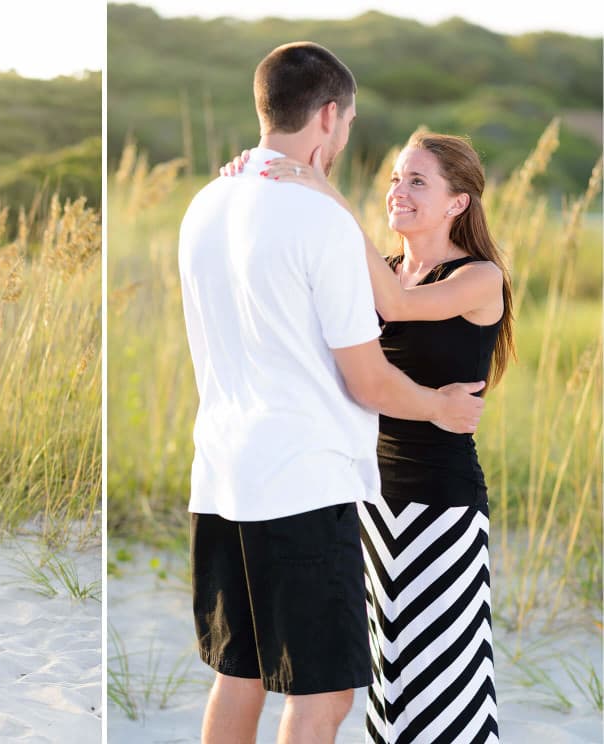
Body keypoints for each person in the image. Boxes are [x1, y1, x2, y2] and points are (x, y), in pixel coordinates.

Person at [177, 43, 487, 744]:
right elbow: (368, 378)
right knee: (323, 697)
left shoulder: (206, 202)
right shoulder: (320, 221)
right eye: (346, 124)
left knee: (239, 676)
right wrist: (439, 406)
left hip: (221, 473)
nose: (344, 138)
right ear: (327, 116)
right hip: (301, 482)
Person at [242, 132, 509, 742]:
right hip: (368, 500)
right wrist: (249, 180)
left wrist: (327, 196)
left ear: (457, 204)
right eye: (394, 178)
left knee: (444, 685)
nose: (398, 192)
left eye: (418, 181)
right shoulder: (382, 268)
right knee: (390, 685)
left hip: (441, 506)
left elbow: (400, 306)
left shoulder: (479, 277)